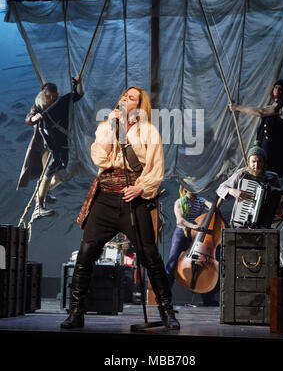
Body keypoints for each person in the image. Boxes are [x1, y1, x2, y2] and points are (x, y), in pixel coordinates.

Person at [61, 86, 180, 330]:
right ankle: (76, 312)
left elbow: (155, 170)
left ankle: (167, 311)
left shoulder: (148, 131)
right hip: (105, 197)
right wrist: (113, 125)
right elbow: (100, 159)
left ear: (140, 105)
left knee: (150, 256)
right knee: (86, 252)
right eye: (124, 96)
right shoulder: (107, 126)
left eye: (132, 97)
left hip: (133, 198)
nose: (126, 99)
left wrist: (140, 188)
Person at [17, 76, 84, 219]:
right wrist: (34, 118)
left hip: (62, 144)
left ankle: (44, 192)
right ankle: (39, 206)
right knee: (49, 170)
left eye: (54, 95)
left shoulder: (61, 102)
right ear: (43, 95)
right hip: (47, 147)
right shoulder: (38, 107)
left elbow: (78, 95)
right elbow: (29, 118)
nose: (52, 98)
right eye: (49, 95)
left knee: (61, 169)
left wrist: (78, 83)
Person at [229, 79, 283, 178]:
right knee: (262, 169)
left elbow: (261, 112)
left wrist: (237, 107)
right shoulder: (276, 104)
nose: (277, 90)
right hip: (267, 144)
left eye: (280, 89)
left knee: (269, 171)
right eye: (276, 87)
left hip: (274, 147)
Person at [216, 141, 283, 227]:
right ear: (248, 162)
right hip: (241, 224)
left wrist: (281, 211)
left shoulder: (272, 178)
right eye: (253, 161)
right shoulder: (241, 175)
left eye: (259, 161)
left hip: (264, 225)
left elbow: (278, 200)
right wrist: (232, 191)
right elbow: (221, 188)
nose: (256, 165)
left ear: (264, 163)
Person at [165, 186, 212, 288]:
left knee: (201, 263)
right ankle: (165, 294)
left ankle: (206, 295)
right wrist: (193, 226)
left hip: (196, 235)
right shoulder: (179, 202)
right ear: (185, 189)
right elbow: (180, 220)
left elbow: (212, 207)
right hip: (182, 233)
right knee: (172, 261)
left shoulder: (200, 200)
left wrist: (219, 197)